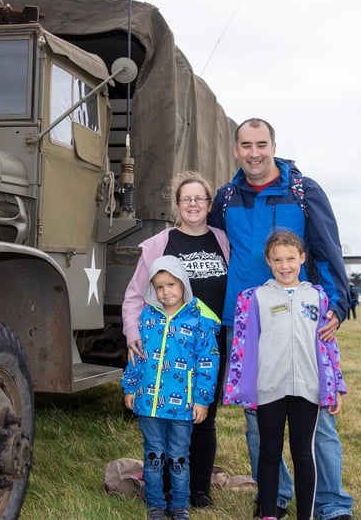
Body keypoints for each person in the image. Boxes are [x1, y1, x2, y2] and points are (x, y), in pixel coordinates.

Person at [208, 117, 353, 520]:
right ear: (235, 150)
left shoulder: (304, 192)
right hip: (246, 326)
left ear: (273, 146)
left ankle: (331, 504)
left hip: (300, 322)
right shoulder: (225, 198)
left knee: (317, 422)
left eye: (261, 144)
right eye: (245, 145)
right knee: (258, 423)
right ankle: (275, 497)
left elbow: (328, 250)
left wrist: (337, 307)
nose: (254, 153)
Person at [122, 171, 230, 508]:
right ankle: (165, 487)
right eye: (187, 199)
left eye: (200, 198)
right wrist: (132, 334)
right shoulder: (159, 244)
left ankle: (198, 488)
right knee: (167, 416)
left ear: (209, 204)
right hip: (166, 345)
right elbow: (134, 295)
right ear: (177, 206)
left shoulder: (224, 241)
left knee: (203, 414)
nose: (193, 204)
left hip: (209, 343)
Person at [224, 231, 346, 520]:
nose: (285, 265)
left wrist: (336, 385)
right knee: (269, 451)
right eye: (277, 259)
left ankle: (306, 514)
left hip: (308, 388)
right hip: (269, 388)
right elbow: (242, 347)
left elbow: (329, 346)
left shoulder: (317, 296)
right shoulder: (254, 298)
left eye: (291, 258)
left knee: (304, 453)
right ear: (268, 261)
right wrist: (242, 388)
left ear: (302, 258)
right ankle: (268, 513)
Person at [121, 255, 221, 520]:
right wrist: (130, 387)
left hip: (183, 406)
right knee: (153, 455)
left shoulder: (198, 321)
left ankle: (179, 504)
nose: (166, 292)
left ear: (184, 285)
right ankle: (155, 503)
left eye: (171, 285)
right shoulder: (146, 318)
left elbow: (208, 363)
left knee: (178, 457)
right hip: (148, 404)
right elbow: (136, 355)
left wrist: (202, 400)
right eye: (159, 286)